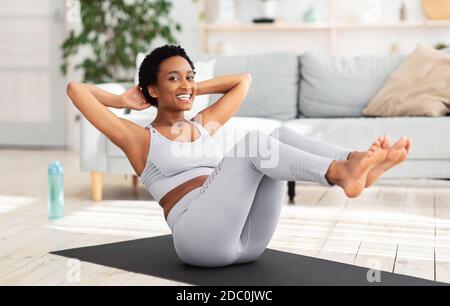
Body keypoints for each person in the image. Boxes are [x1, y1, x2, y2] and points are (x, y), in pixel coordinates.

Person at [67, 45, 411, 268]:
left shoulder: (203, 125)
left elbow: (242, 82)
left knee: (276, 135)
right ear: (153, 90)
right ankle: (339, 173)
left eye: (190, 75)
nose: (186, 82)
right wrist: (125, 101)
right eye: (173, 78)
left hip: (248, 241)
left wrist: (190, 87)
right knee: (252, 144)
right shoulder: (139, 139)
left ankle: (353, 162)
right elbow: (76, 90)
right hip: (198, 238)